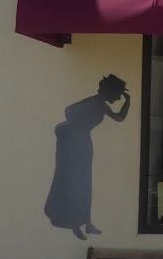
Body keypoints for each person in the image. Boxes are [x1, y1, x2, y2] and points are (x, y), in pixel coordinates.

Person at [43, 74, 130, 239]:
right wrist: (75, 129)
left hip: (82, 143)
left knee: (84, 182)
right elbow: (68, 111)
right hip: (73, 145)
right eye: (119, 94)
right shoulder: (94, 102)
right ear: (111, 91)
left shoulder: (101, 104)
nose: (119, 98)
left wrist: (128, 102)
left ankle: (86, 222)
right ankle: (75, 222)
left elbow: (119, 117)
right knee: (72, 181)